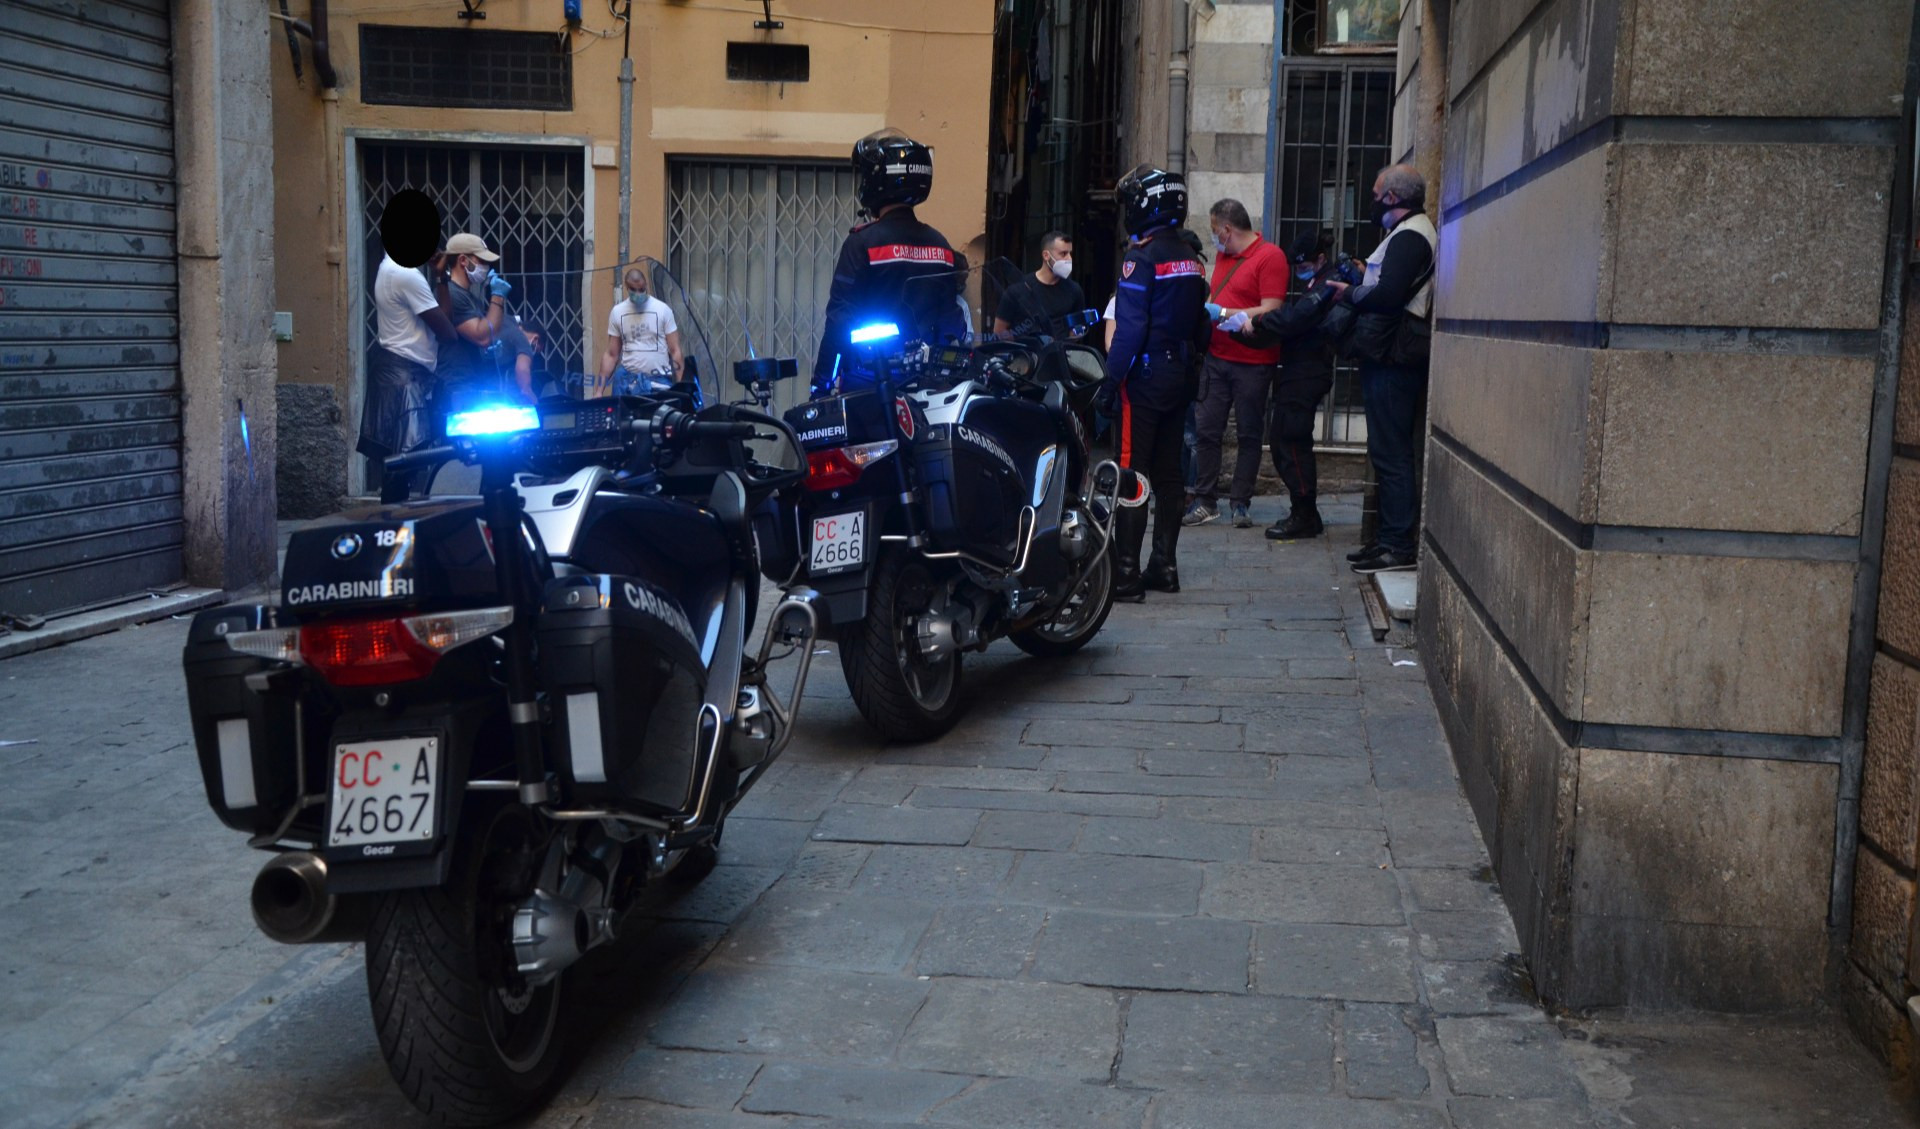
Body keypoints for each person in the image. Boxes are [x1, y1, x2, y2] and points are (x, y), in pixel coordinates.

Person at [1099, 164, 1212, 601]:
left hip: (1144, 378)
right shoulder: (1190, 257)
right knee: (1169, 474)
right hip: (1181, 374)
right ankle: (1164, 565)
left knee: (1132, 472)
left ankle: (1125, 574)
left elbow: (1128, 330)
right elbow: (1202, 325)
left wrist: (1110, 382)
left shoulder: (1140, 258)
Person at [1325, 163, 1436, 574]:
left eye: (1375, 193)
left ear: (1392, 198)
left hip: (1395, 357)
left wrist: (1350, 292)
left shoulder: (1410, 236)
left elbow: (1389, 296)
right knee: (1386, 450)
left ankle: (1396, 545)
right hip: (1389, 354)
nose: (1371, 200)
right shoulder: (1404, 234)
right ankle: (1387, 539)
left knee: (1391, 453)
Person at [814, 129, 957, 396]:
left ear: (876, 180)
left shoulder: (863, 242)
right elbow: (951, 321)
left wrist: (820, 385)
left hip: (870, 383)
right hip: (929, 386)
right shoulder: (941, 244)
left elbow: (839, 320)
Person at [1186, 199, 1288, 529]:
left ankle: (1240, 504)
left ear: (1228, 230)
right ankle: (1205, 501)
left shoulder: (1270, 257)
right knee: (1207, 431)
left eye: (1216, 231)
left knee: (1248, 433)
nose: (1214, 238)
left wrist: (1225, 314)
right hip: (1218, 357)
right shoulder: (1224, 255)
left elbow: (1271, 309)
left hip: (1253, 362)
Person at [1235, 229, 1341, 540]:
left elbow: (1296, 319)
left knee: (1291, 442)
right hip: (1300, 371)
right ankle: (1306, 511)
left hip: (1307, 373)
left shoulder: (1326, 285)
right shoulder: (1317, 283)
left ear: (1319, 259)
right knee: (1284, 439)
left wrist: (1258, 321)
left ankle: (1304, 514)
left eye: (1302, 265)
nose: (1298, 272)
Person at [361, 246, 456, 468]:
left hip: (393, 371)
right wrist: (442, 278)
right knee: (407, 465)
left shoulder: (387, 267)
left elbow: (444, 319)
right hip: (406, 377)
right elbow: (448, 332)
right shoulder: (406, 274)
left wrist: (441, 276)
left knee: (396, 468)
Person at [436, 232, 513, 414]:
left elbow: (488, 336)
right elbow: (482, 336)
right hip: (458, 386)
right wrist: (498, 296)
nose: (485, 267)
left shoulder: (470, 297)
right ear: (463, 260)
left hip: (471, 384)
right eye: (481, 261)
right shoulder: (452, 295)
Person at [595, 266, 683, 398]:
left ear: (646, 285)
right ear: (626, 287)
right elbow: (611, 354)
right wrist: (598, 391)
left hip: (658, 382)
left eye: (641, 290)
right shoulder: (618, 312)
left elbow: (675, 350)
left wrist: (680, 387)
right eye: (633, 290)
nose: (638, 294)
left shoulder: (663, 310)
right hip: (627, 383)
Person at [993, 231, 1087, 339]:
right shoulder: (1018, 290)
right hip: (1026, 354)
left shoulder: (1074, 290)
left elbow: (1078, 326)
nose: (1069, 259)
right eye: (1063, 254)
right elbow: (999, 331)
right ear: (1046, 255)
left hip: (1062, 353)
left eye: (1070, 253)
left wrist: (1071, 339)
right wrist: (1021, 348)